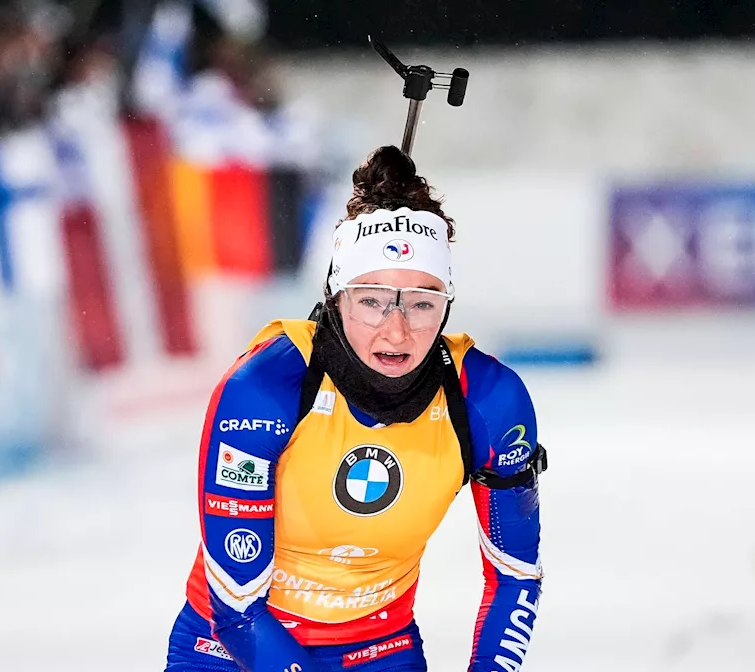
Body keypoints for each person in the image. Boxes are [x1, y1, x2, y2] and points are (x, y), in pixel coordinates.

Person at [164, 145, 545, 672]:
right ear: (336, 297)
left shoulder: (486, 398)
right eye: (371, 300)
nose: (397, 329)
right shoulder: (266, 389)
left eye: (422, 303)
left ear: (448, 303)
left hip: (378, 651)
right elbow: (235, 605)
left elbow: (516, 577)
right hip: (231, 649)